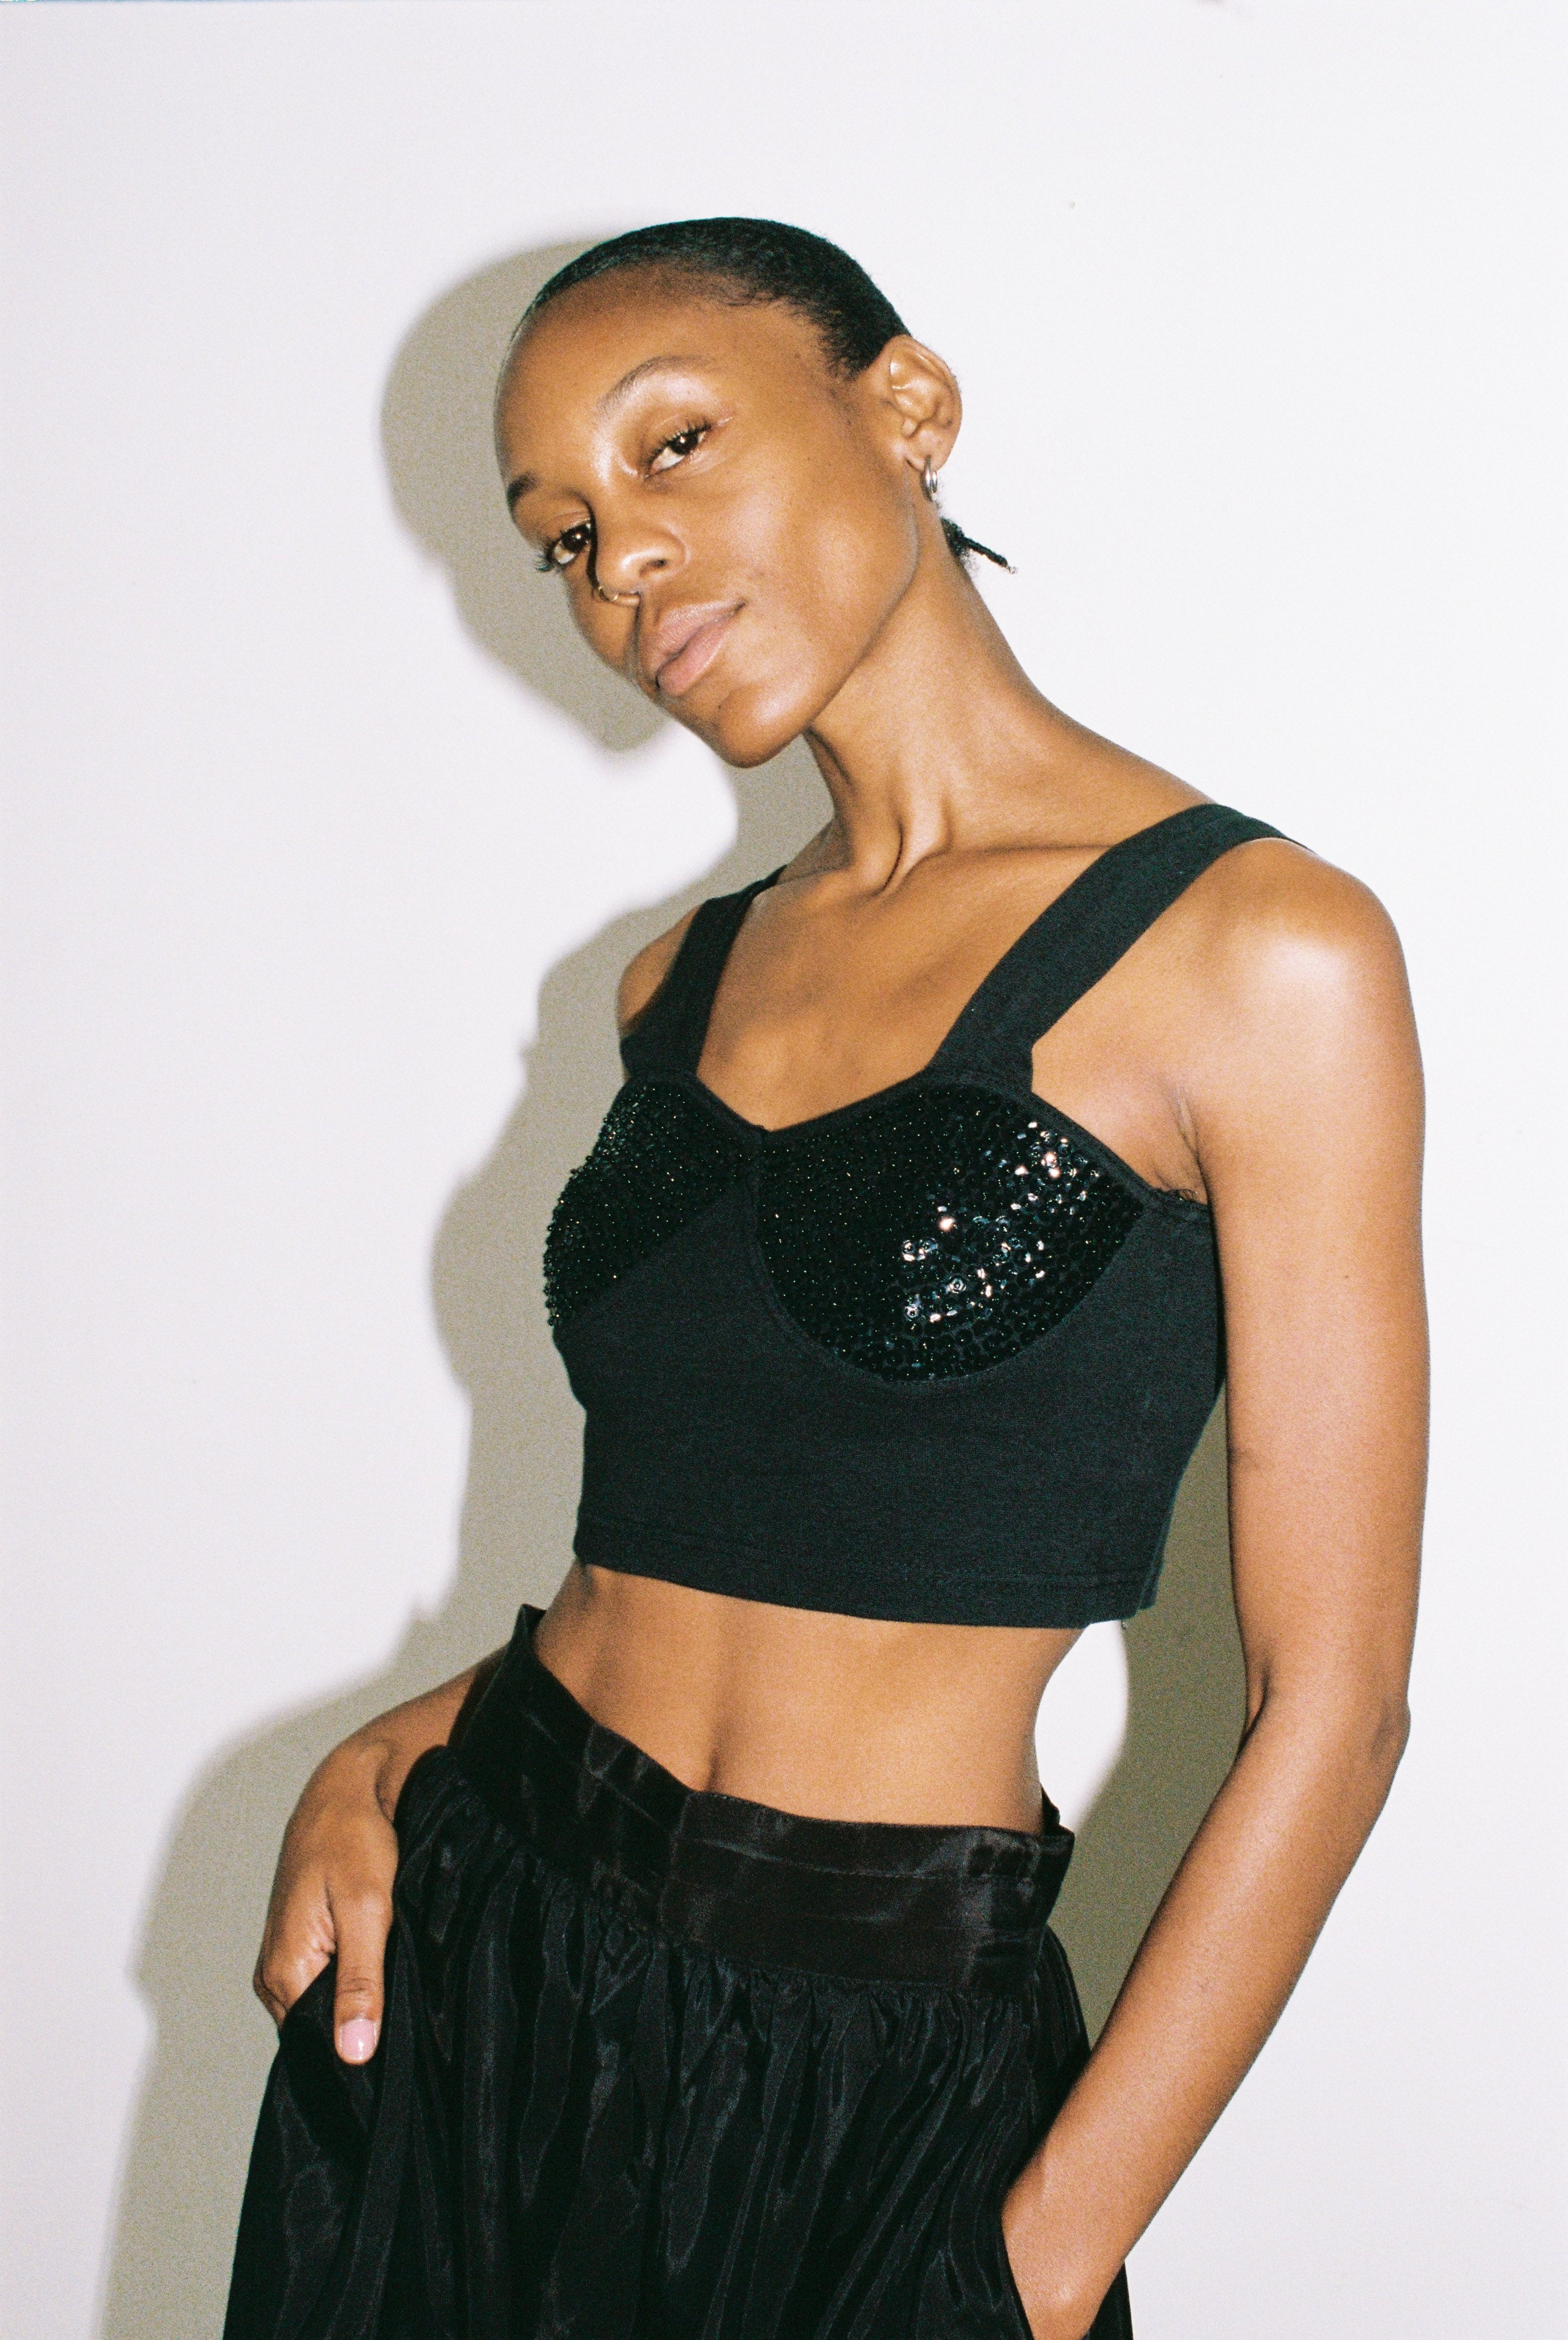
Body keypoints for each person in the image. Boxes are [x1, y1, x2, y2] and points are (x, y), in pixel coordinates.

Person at [223, 219, 1425, 2340]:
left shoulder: (1266, 960)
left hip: (872, 2092)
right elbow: (704, 1539)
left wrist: (1027, 2274)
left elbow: (1327, 1714)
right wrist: (386, 1758)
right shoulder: (670, 985)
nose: (624, 570)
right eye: (565, 536)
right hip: (479, 1973)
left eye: (673, 447)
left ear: (909, 408)